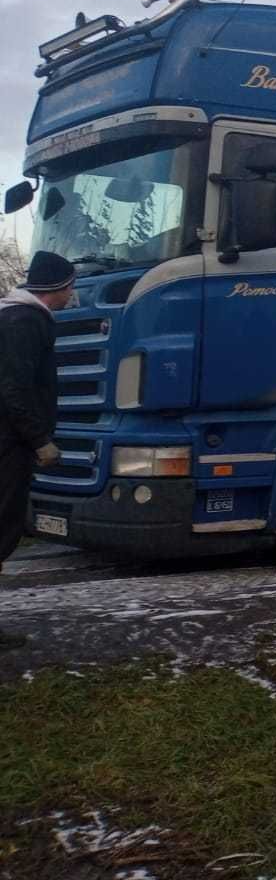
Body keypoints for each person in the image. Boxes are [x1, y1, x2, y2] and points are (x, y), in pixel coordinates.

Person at [0, 250, 76, 649]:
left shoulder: (15, 316)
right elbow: (15, 388)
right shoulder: (25, 321)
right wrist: (40, 440)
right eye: (71, 286)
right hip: (9, 445)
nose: (73, 295)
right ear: (59, 288)